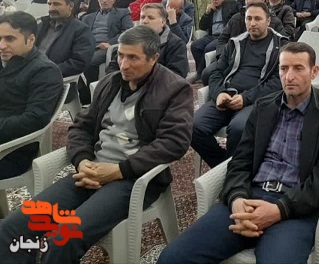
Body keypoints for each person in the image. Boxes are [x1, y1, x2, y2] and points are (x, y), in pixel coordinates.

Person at [0, 26, 193, 263]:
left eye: (133, 58)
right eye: (120, 55)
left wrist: (119, 170)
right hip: (91, 171)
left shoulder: (174, 89)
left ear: (153, 58)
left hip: (134, 178)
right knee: (13, 228)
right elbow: (81, 127)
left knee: (63, 238)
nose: (124, 65)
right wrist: (82, 161)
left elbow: (174, 142)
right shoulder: (110, 83)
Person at [157, 42, 319, 264]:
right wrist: (237, 197)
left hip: (296, 207)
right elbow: (241, 160)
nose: (289, 76)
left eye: (298, 68)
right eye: (284, 68)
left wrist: (280, 209)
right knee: (172, 258)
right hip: (249, 197)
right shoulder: (264, 107)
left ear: (314, 72)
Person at [192, 3, 287, 168]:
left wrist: (246, 98)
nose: (252, 23)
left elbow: (279, 81)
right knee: (192, 127)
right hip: (227, 96)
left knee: (239, 129)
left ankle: (232, 170)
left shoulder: (281, 45)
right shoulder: (235, 43)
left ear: (268, 21)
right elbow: (216, 72)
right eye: (249, 18)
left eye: (257, 19)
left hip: (256, 100)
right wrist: (219, 93)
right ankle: (224, 167)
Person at [0, 12, 63, 180]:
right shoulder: (6, 61)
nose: (2, 45)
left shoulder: (44, 71)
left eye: (9, 39)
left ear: (31, 40)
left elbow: (35, 119)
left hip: (12, 150)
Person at [36, 0, 95, 96]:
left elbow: (79, 63)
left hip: (56, 81)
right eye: (49, 4)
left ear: (70, 6)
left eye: (56, 4)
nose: (51, 8)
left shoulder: (81, 30)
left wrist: (47, 72)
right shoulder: (42, 26)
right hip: (33, 75)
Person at [106, 3, 189, 78]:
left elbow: (177, 75)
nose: (145, 21)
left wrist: (141, 80)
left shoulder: (175, 44)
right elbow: (112, 68)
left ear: (163, 22)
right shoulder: (131, 40)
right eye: (142, 17)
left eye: (151, 18)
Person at [81, 0, 134, 83]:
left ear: (114, 0)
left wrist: (109, 43)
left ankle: (92, 88)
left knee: (88, 61)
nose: (105, 0)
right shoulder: (87, 17)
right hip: (89, 47)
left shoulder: (122, 13)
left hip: (107, 48)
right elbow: (81, 35)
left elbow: (127, 31)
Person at [191, 0, 240, 79]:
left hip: (223, 36)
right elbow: (202, 27)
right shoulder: (211, 9)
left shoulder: (231, 6)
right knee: (195, 45)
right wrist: (207, 13)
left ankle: (201, 73)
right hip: (212, 36)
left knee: (209, 48)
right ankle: (199, 71)